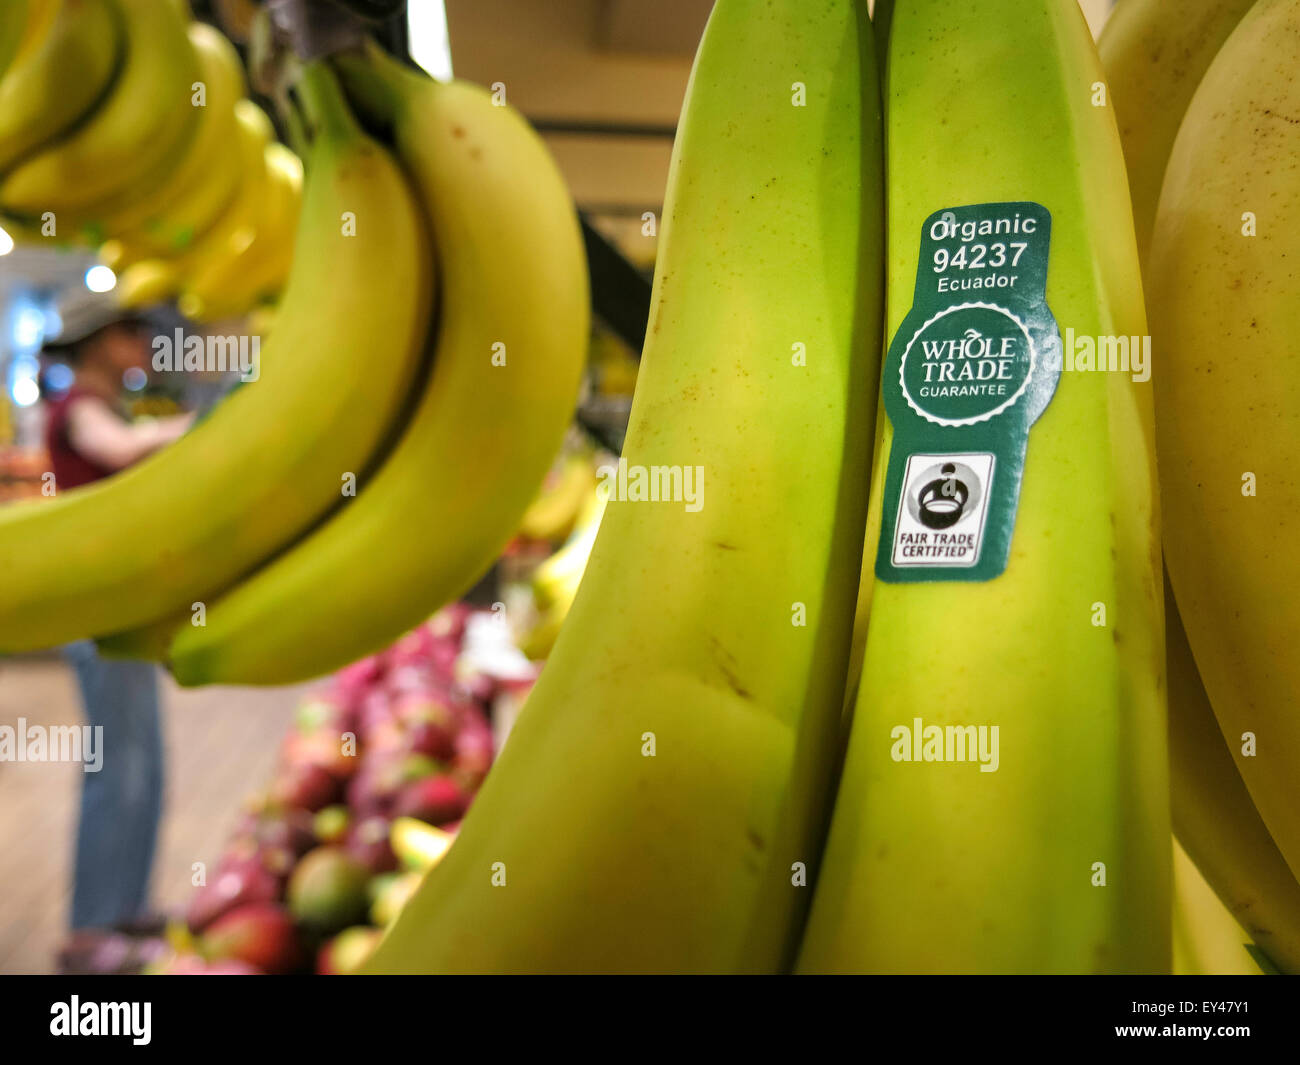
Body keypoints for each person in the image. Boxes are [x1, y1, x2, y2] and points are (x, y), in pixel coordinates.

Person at [40, 311, 193, 972]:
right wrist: (204, 427)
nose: (147, 351)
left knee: (142, 766)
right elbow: (120, 452)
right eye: (138, 337)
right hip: (97, 612)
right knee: (117, 769)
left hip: (122, 611)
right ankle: (92, 928)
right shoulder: (80, 409)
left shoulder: (103, 405)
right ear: (108, 341)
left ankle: (126, 911)